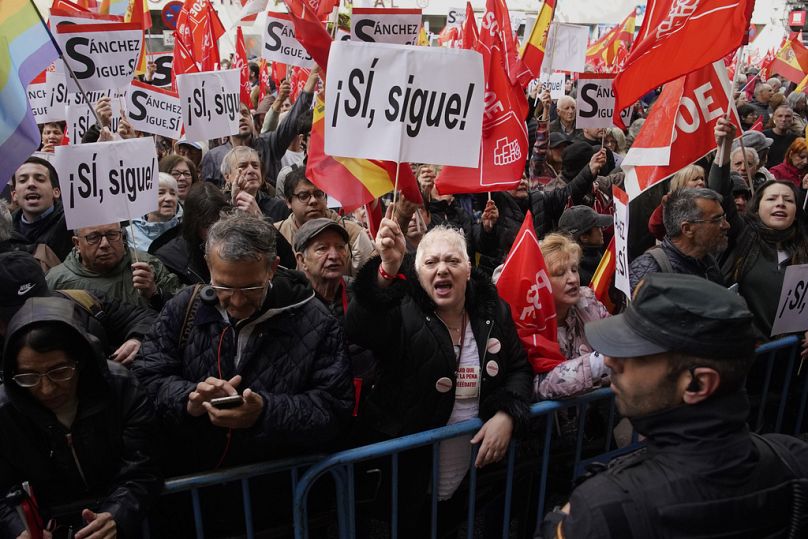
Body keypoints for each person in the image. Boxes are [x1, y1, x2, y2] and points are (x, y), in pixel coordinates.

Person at [538, 273, 808, 538]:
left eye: (638, 354)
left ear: (697, 384)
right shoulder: (792, 458)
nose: (612, 362)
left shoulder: (603, 508)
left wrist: (564, 522)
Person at [345, 220, 532, 533]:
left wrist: (506, 413)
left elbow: (519, 368)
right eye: (431, 262)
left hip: (473, 470)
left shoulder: (493, 310)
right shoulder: (401, 308)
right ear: (419, 274)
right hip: (409, 475)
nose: (442, 269)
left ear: (469, 270)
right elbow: (358, 329)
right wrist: (388, 269)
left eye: (453, 261)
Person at [133, 212, 355, 475]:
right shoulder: (184, 308)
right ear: (208, 266)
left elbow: (333, 408)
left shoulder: (317, 321)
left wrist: (265, 412)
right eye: (224, 287)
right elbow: (146, 379)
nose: (237, 302)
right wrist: (188, 400)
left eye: (251, 288)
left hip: (278, 489)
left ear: (272, 268)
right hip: (195, 486)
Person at [0, 296, 161, 538]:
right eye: (29, 377)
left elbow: (142, 468)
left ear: (82, 360)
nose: (46, 389)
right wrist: (20, 528)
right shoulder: (5, 410)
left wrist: (115, 516)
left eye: (59, 372)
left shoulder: (121, 388)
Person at [711, 118, 808, 338]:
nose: (780, 204)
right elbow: (719, 192)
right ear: (757, 207)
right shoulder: (743, 234)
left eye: (788, 200)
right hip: (745, 358)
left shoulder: (803, 244)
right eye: (772, 199)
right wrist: (724, 148)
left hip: (790, 364)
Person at [0, 251, 156, 366]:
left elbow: (145, 318)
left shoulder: (85, 302)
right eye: (16, 316)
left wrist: (137, 339)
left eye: (39, 307)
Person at [199, 68, 319, 189]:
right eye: (234, 115)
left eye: (245, 113)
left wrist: (310, 83)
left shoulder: (269, 144)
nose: (241, 118)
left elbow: (291, 122)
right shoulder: (213, 157)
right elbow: (208, 196)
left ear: (251, 118)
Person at [533, 234, 610, 400]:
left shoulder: (588, 302)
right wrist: (598, 365)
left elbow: (617, 342)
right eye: (560, 273)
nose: (573, 279)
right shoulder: (529, 322)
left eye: (574, 270)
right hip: (548, 424)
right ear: (540, 281)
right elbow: (540, 384)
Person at [46, 222, 181, 311]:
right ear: (77, 244)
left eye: (112, 235)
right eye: (93, 237)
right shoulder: (57, 280)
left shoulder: (146, 265)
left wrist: (155, 293)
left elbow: (180, 309)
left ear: (122, 236)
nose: (105, 244)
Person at [276, 168, 376, 275]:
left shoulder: (353, 233)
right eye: (303, 196)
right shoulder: (277, 234)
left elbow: (369, 282)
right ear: (288, 202)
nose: (313, 201)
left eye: (319, 194)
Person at [629, 188, 729, 291]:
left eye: (724, 218)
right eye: (717, 220)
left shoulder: (708, 262)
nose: (726, 225)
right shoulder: (650, 271)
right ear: (687, 229)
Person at [153, 182, 230, 285]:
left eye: (219, 222)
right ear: (194, 224)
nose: (215, 230)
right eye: (207, 224)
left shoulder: (234, 245)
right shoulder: (169, 259)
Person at [9, 157, 73, 260]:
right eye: (23, 180)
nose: (31, 184)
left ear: (56, 192)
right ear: (14, 195)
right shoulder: (4, 232)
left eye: (40, 179)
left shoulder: (73, 227)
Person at [220, 146, 289, 221]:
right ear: (227, 176)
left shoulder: (278, 207)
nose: (251, 170)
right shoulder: (218, 207)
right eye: (243, 166)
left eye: (255, 166)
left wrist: (259, 218)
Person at [647, 164, 706, 241]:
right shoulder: (671, 202)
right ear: (681, 183)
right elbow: (655, 228)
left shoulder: (709, 202)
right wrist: (665, 208)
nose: (701, 182)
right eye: (695, 179)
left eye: (702, 178)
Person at [557, 206, 613, 286]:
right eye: (597, 228)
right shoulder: (576, 273)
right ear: (584, 237)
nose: (602, 231)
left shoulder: (595, 254)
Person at [128, 173, 182, 252]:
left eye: (173, 193)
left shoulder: (186, 231)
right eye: (161, 193)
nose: (169, 198)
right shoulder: (129, 234)